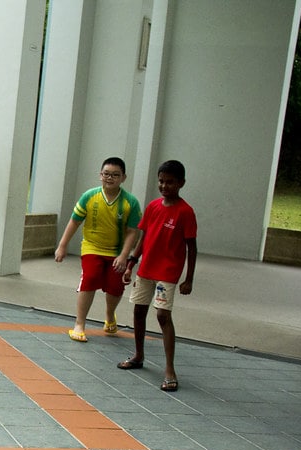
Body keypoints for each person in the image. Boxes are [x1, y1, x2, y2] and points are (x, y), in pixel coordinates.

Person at [116, 159, 197, 392]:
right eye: (161, 181)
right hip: (146, 270)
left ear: (181, 183)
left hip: (168, 273)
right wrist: (132, 262)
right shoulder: (152, 207)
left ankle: (170, 369)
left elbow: (192, 247)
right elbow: (144, 238)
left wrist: (189, 278)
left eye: (170, 182)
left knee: (163, 315)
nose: (164, 186)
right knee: (138, 310)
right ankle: (139, 355)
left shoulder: (185, 212)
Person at [54, 157, 142, 342]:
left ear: (123, 177)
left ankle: (110, 316)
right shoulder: (89, 196)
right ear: (100, 175)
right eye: (106, 174)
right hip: (92, 247)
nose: (110, 178)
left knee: (115, 287)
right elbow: (74, 221)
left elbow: (133, 231)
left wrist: (124, 255)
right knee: (90, 278)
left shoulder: (130, 202)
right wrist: (62, 246)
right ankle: (79, 324)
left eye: (115, 175)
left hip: (117, 252)